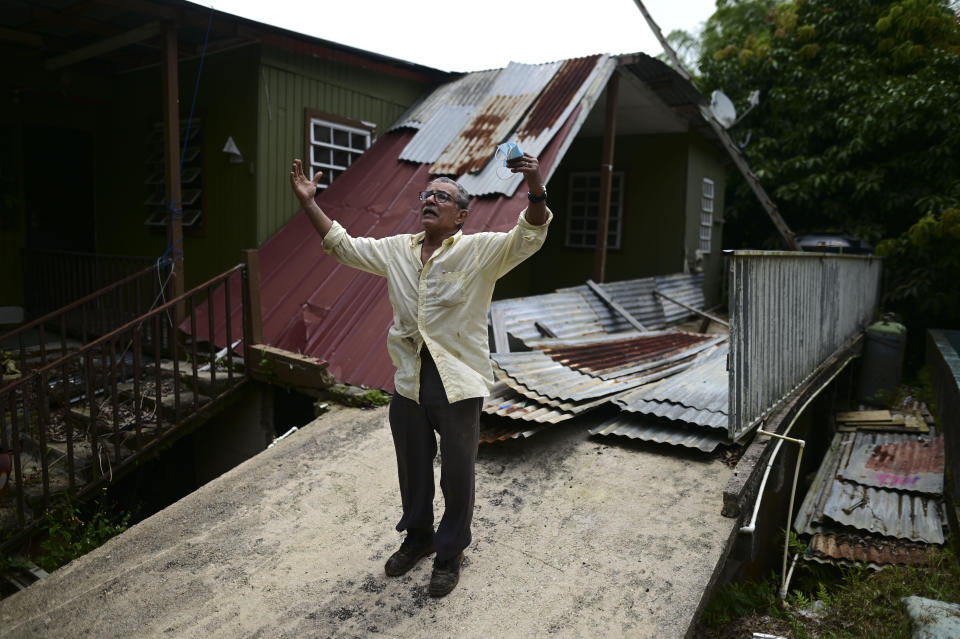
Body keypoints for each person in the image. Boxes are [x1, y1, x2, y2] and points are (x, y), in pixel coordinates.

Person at [289, 152, 551, 598]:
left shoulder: (479, 250)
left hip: (458, 380)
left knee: (456, 472)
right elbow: (344, 245)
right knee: (412, 466)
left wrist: (536, 187)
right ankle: (419, 537)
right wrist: (310, 203)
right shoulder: (398, 250)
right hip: (410, 378)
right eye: (427, 194)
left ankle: (449, 553)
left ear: (461, 215)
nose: (430, 199)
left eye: (442, 197)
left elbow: (529, 234)